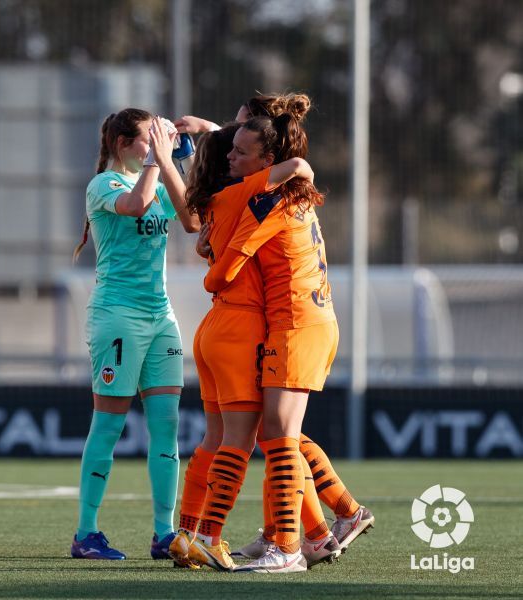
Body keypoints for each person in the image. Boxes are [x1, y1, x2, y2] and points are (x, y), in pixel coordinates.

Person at [175, 95, 373, 560]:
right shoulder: (284, 194)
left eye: (241, 147)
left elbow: (221, 272)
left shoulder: (263, 201)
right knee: (276, 433)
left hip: (292, 323)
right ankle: (306, 533)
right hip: (303, 320)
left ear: (268, 159)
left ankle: (285, 543)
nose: (230, 152)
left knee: (276, 435)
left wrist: (211, 257)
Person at [70, 109, 200, 560]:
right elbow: (135, 205)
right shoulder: (104, 185)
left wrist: (188, 149)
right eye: (148, 139)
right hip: (117, 315)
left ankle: (164, 533)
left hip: (158, 315)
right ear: (123, 143)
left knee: (167, 426)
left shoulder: (158, 180)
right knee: (108, 424)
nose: (155, 146)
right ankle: (86, 532)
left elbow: (194, 221)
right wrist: (155, 162)